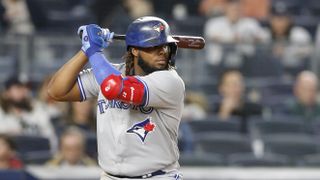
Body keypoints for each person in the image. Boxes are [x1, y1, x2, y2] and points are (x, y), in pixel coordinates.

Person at [47, 16, 184, 179]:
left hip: (157, 176)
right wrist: (84, 51)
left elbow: (113, 87)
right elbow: (56, 91)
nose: (162, 52)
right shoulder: (108, 72)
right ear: (134, 50)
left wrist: (93, 51)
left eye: (165, 46)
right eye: (153, 46)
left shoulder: (170, 81)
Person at [0, 76, 58, 152]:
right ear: (6, 92)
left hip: (36, 155)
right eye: (18, 87)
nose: (24, 91)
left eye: (26, 88)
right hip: (11, 158)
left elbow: (50, 137)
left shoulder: (37, 110)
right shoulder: (2, 112)